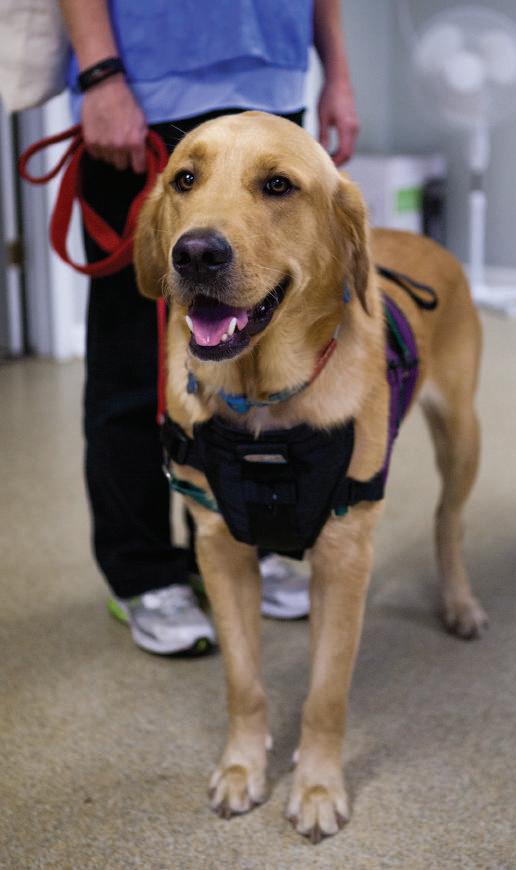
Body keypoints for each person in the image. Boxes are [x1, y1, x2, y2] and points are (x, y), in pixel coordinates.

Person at [59, 0, 360, 655]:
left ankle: (245, 539)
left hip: (274, 83)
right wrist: (100, 73)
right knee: (135, 359)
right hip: (146, 87)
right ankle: (143, 572)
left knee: (267, 364)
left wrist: (336, 72)